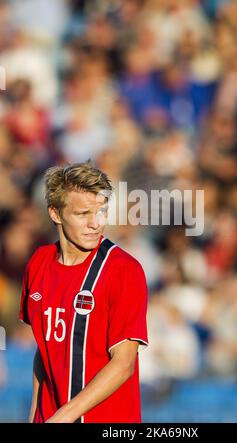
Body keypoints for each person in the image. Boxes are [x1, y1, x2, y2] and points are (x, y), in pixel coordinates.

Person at [19, 162, 149, 423]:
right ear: (55, 214)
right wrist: (35, 416)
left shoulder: (124, 270)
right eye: (83, 214)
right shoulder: (39, 262)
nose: (95, 223)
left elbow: (124, 364)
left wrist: (63, 416)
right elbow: (44, 349)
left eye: (100, 211)